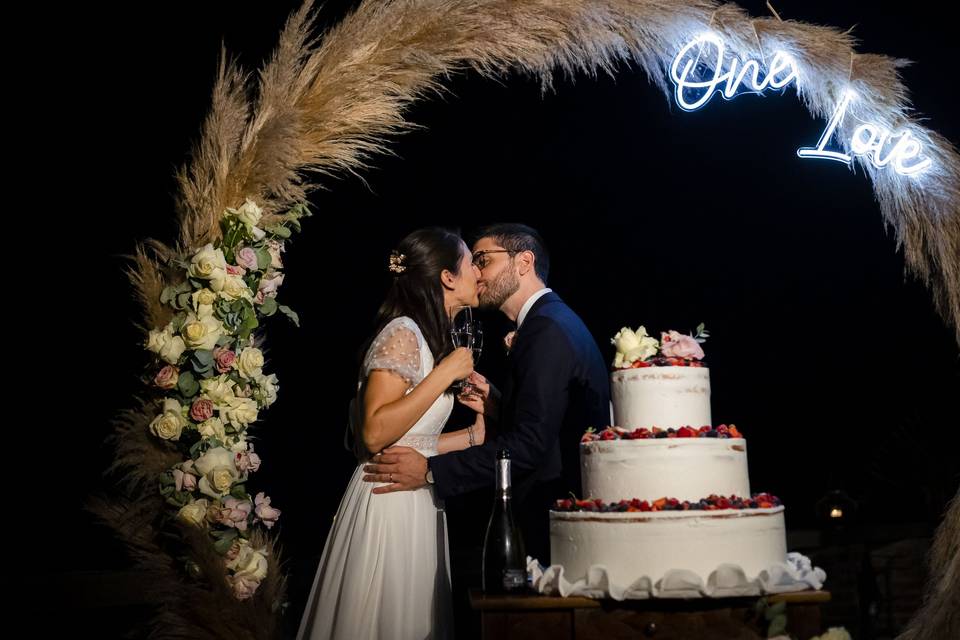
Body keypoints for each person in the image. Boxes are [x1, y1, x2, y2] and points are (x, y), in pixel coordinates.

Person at [363, 223, 610, 565]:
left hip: (552, 516)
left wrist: (432, 471)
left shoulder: (547, 330)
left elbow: (531, 446)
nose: (476, 274)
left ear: (524, 262)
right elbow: (546, 420)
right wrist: (497, 405)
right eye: (473, 263)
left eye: (483, 260)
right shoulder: (545, 324)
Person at [297, 227, 485, 640]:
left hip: (415, 496)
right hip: (387, 502)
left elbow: (412, 443)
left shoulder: (426, 338)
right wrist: (445, 374)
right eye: (472, 262)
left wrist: (474, 434)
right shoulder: (403, 332)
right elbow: (375, 432)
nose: (479, 271)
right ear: (448, 278)